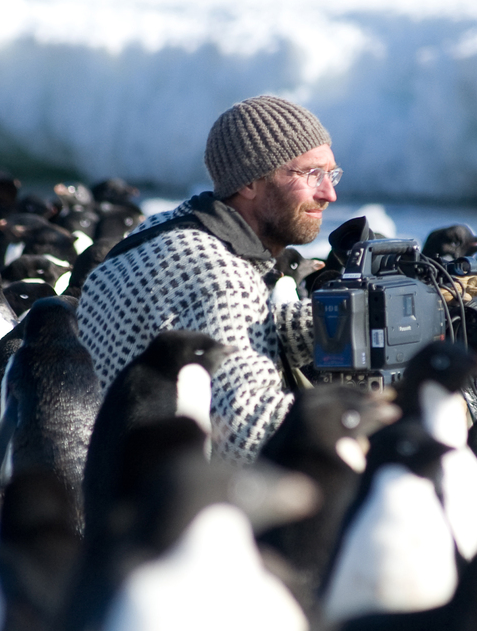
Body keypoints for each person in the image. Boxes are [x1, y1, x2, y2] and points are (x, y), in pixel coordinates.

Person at [77, 95, 338, 461]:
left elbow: (219, 331)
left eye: (331, 173)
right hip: (158, 507)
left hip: (107, 482)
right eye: (312, 174)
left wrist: (333, 322)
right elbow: (246, 432)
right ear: (250, 182)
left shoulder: (164, 231)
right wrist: (366, 424)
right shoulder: (219, 272)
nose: (329, 193)